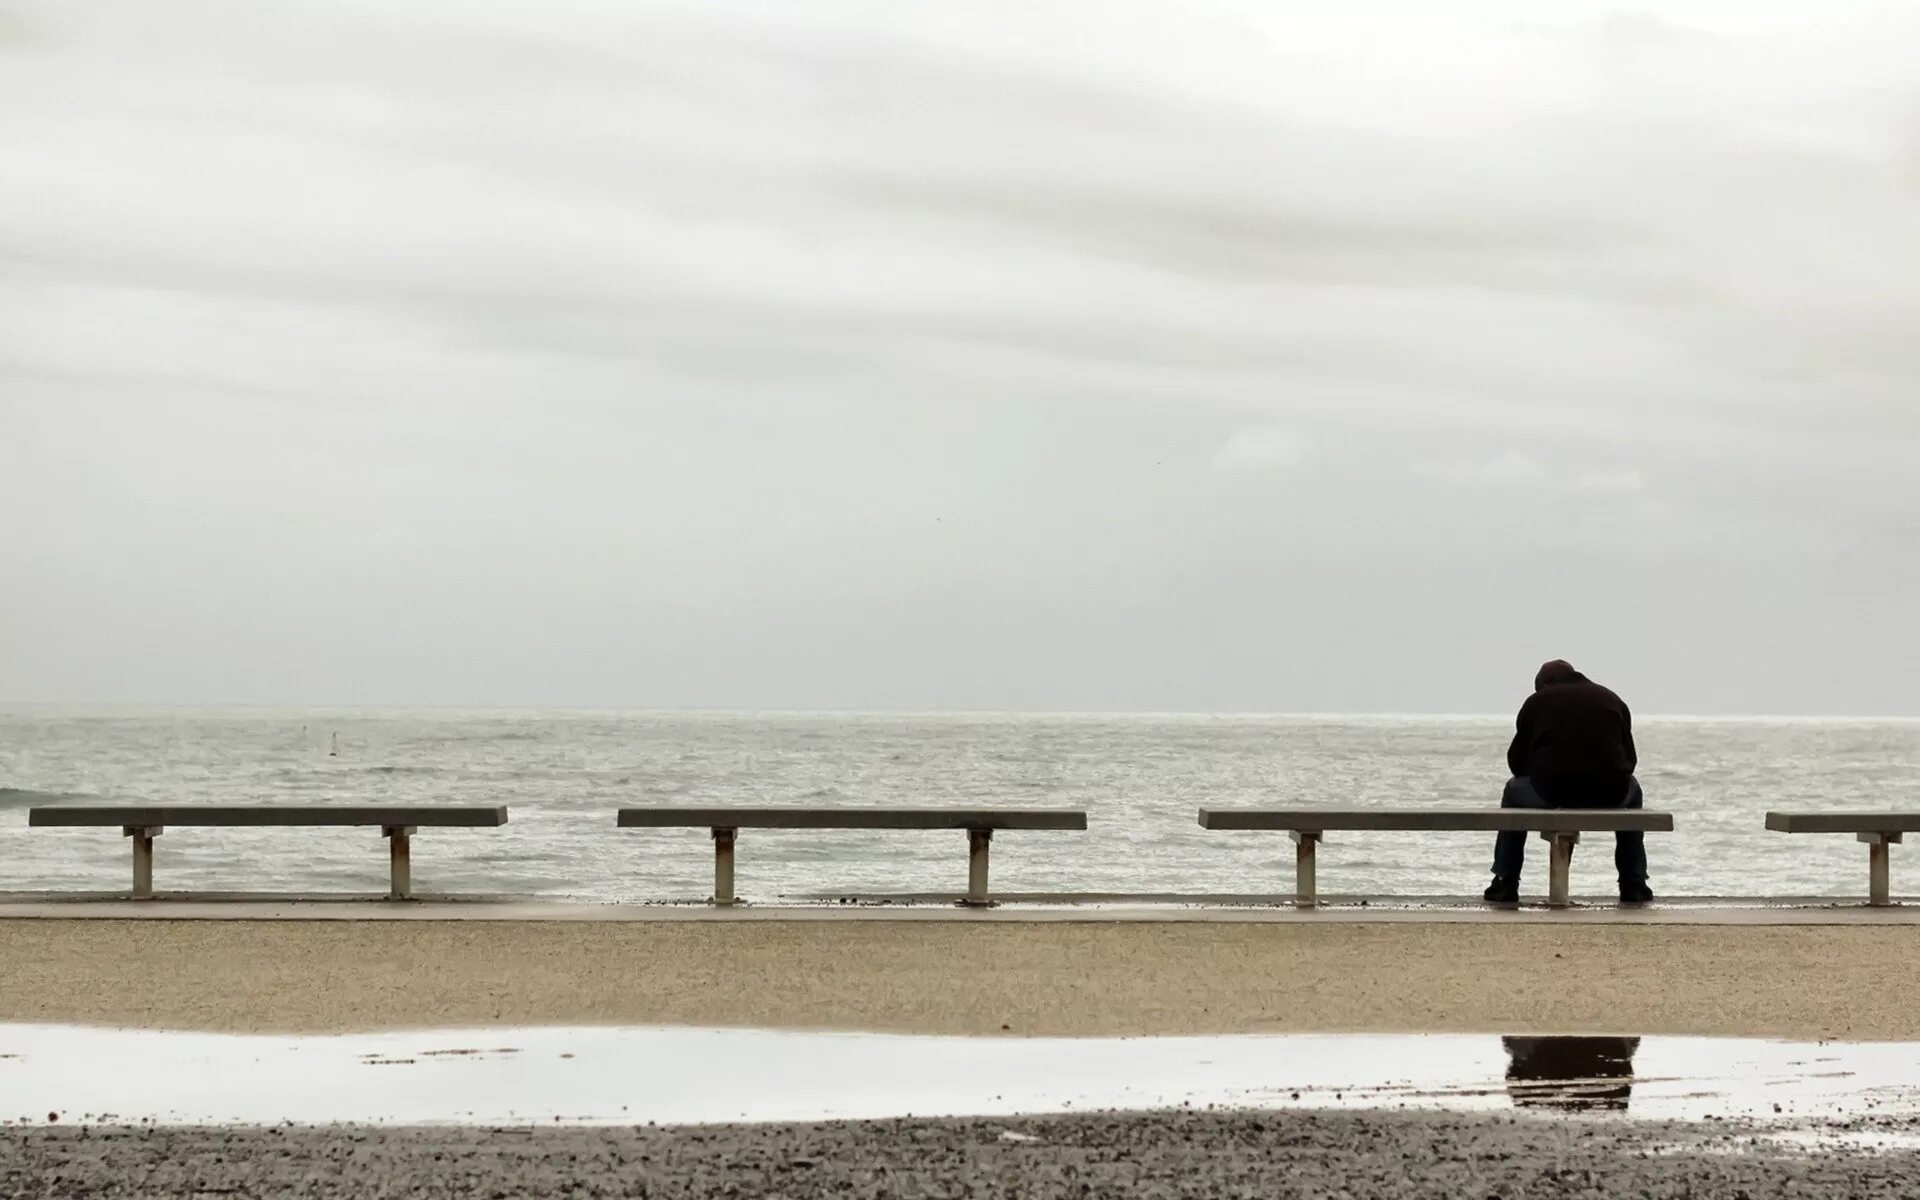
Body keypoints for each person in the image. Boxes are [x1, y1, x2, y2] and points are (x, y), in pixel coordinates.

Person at [1484, 660, 1652, 905]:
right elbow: (1630, 760)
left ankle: (1505, 881)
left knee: (1513, 790)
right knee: (1634, 790)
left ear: (1543, 684)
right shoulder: (1612, 700)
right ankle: (1633, 883)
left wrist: (1543, 774)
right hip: (1609, 794)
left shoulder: (1536, 702)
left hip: (1553, 792)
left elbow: (1517, 762)